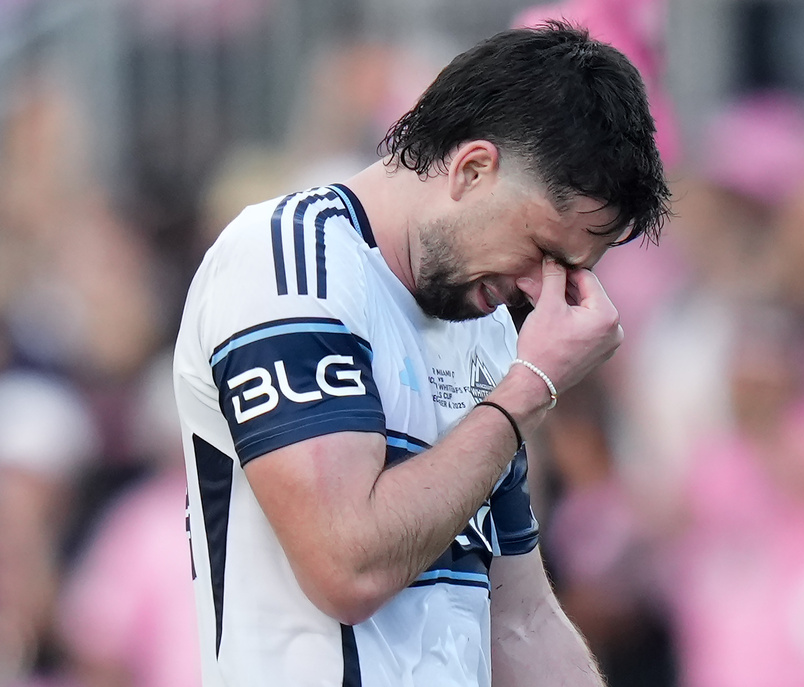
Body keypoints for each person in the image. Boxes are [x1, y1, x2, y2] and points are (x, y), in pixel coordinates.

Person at [173, 20, 670, 687]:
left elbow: (519, 617)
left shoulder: (485, 328)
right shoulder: (289, 266)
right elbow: (347, 566)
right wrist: (527, 392)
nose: (537, 291)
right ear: (472, 168)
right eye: (544, 251)